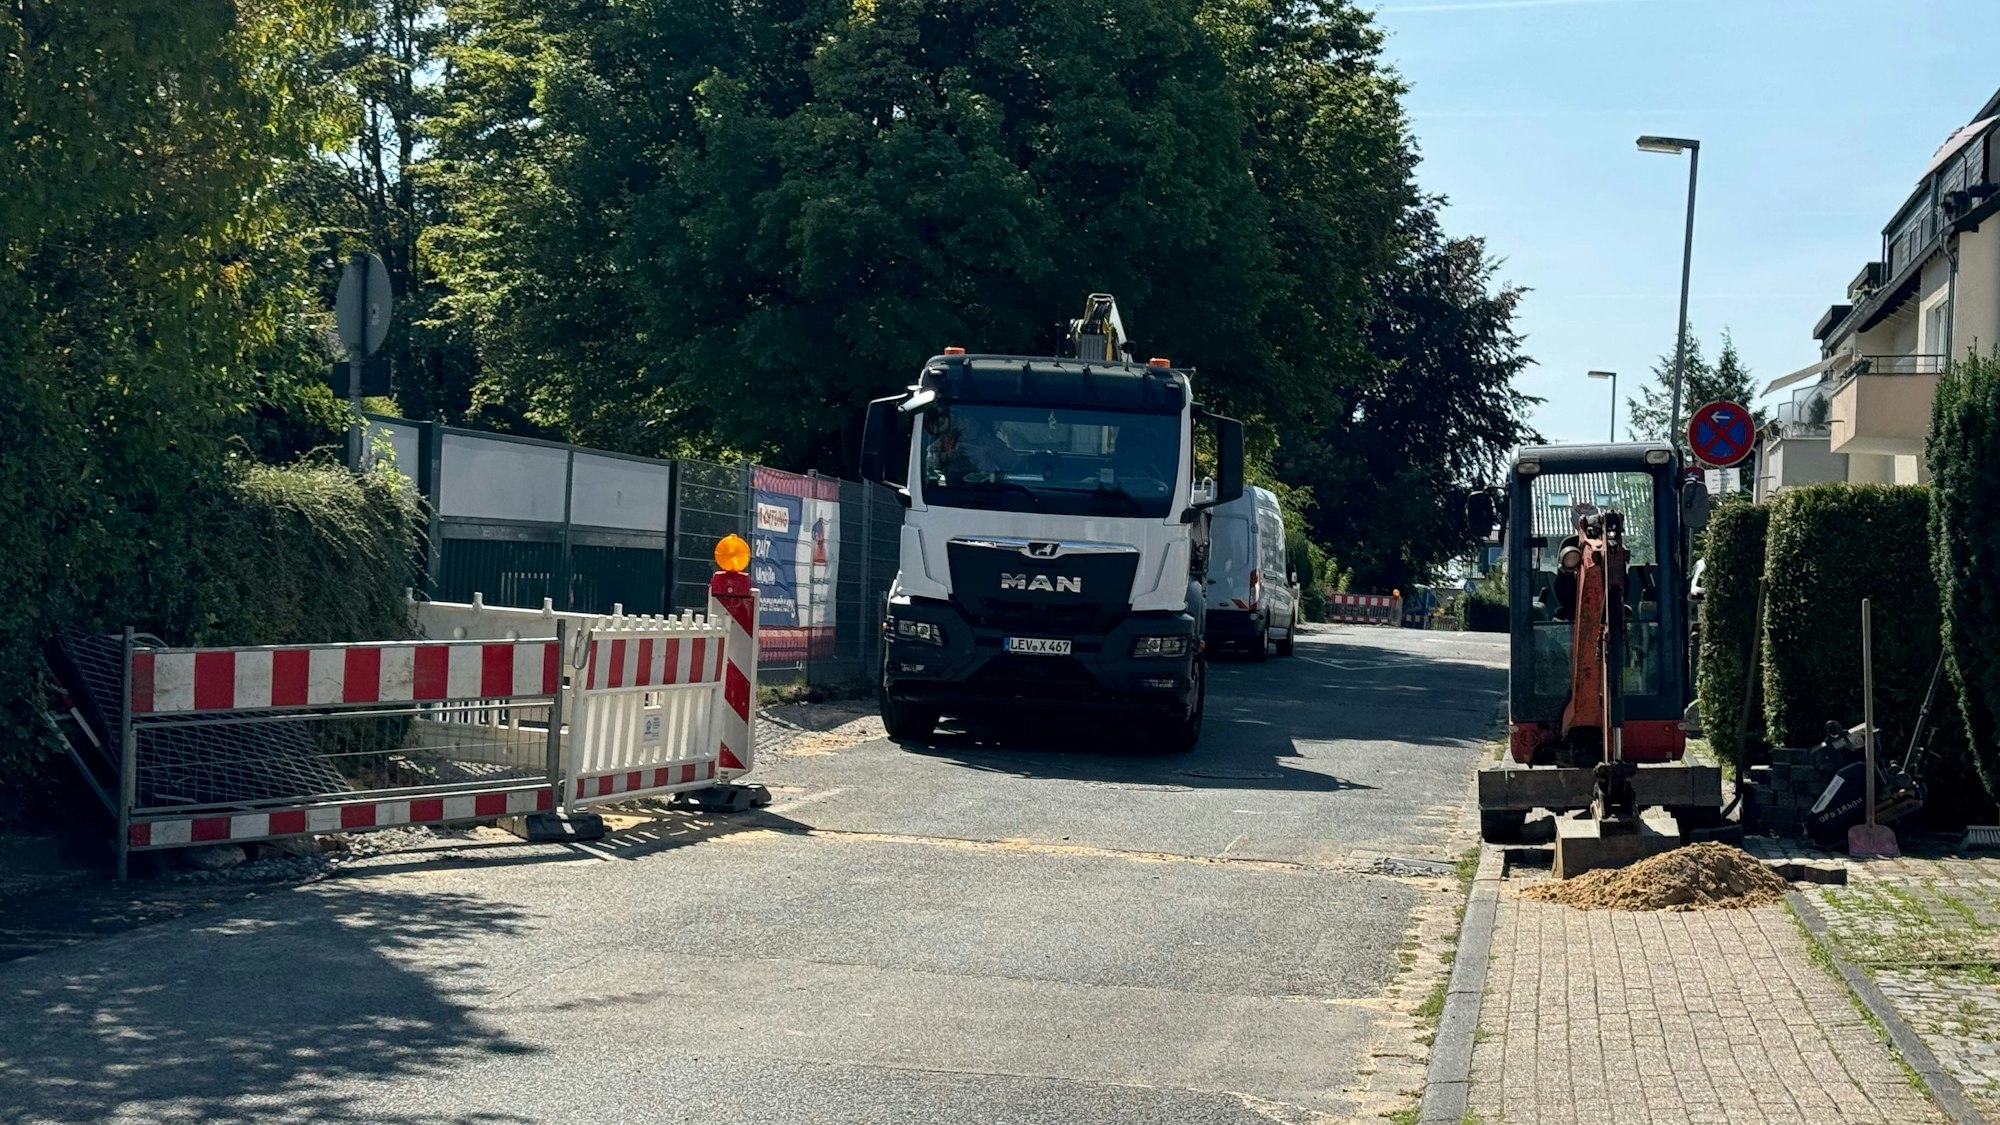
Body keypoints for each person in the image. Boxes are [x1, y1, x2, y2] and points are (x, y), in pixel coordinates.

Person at [932, 413, 1019, 481]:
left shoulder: (989, 441)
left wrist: (990, 451)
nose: (967, 424)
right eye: (963, 420)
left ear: (978, 424)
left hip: (987, 487)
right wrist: (947, 457)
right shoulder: (947, 441)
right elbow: (928, 462)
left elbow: (1011, 462)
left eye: (971, 421)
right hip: (952, 489)